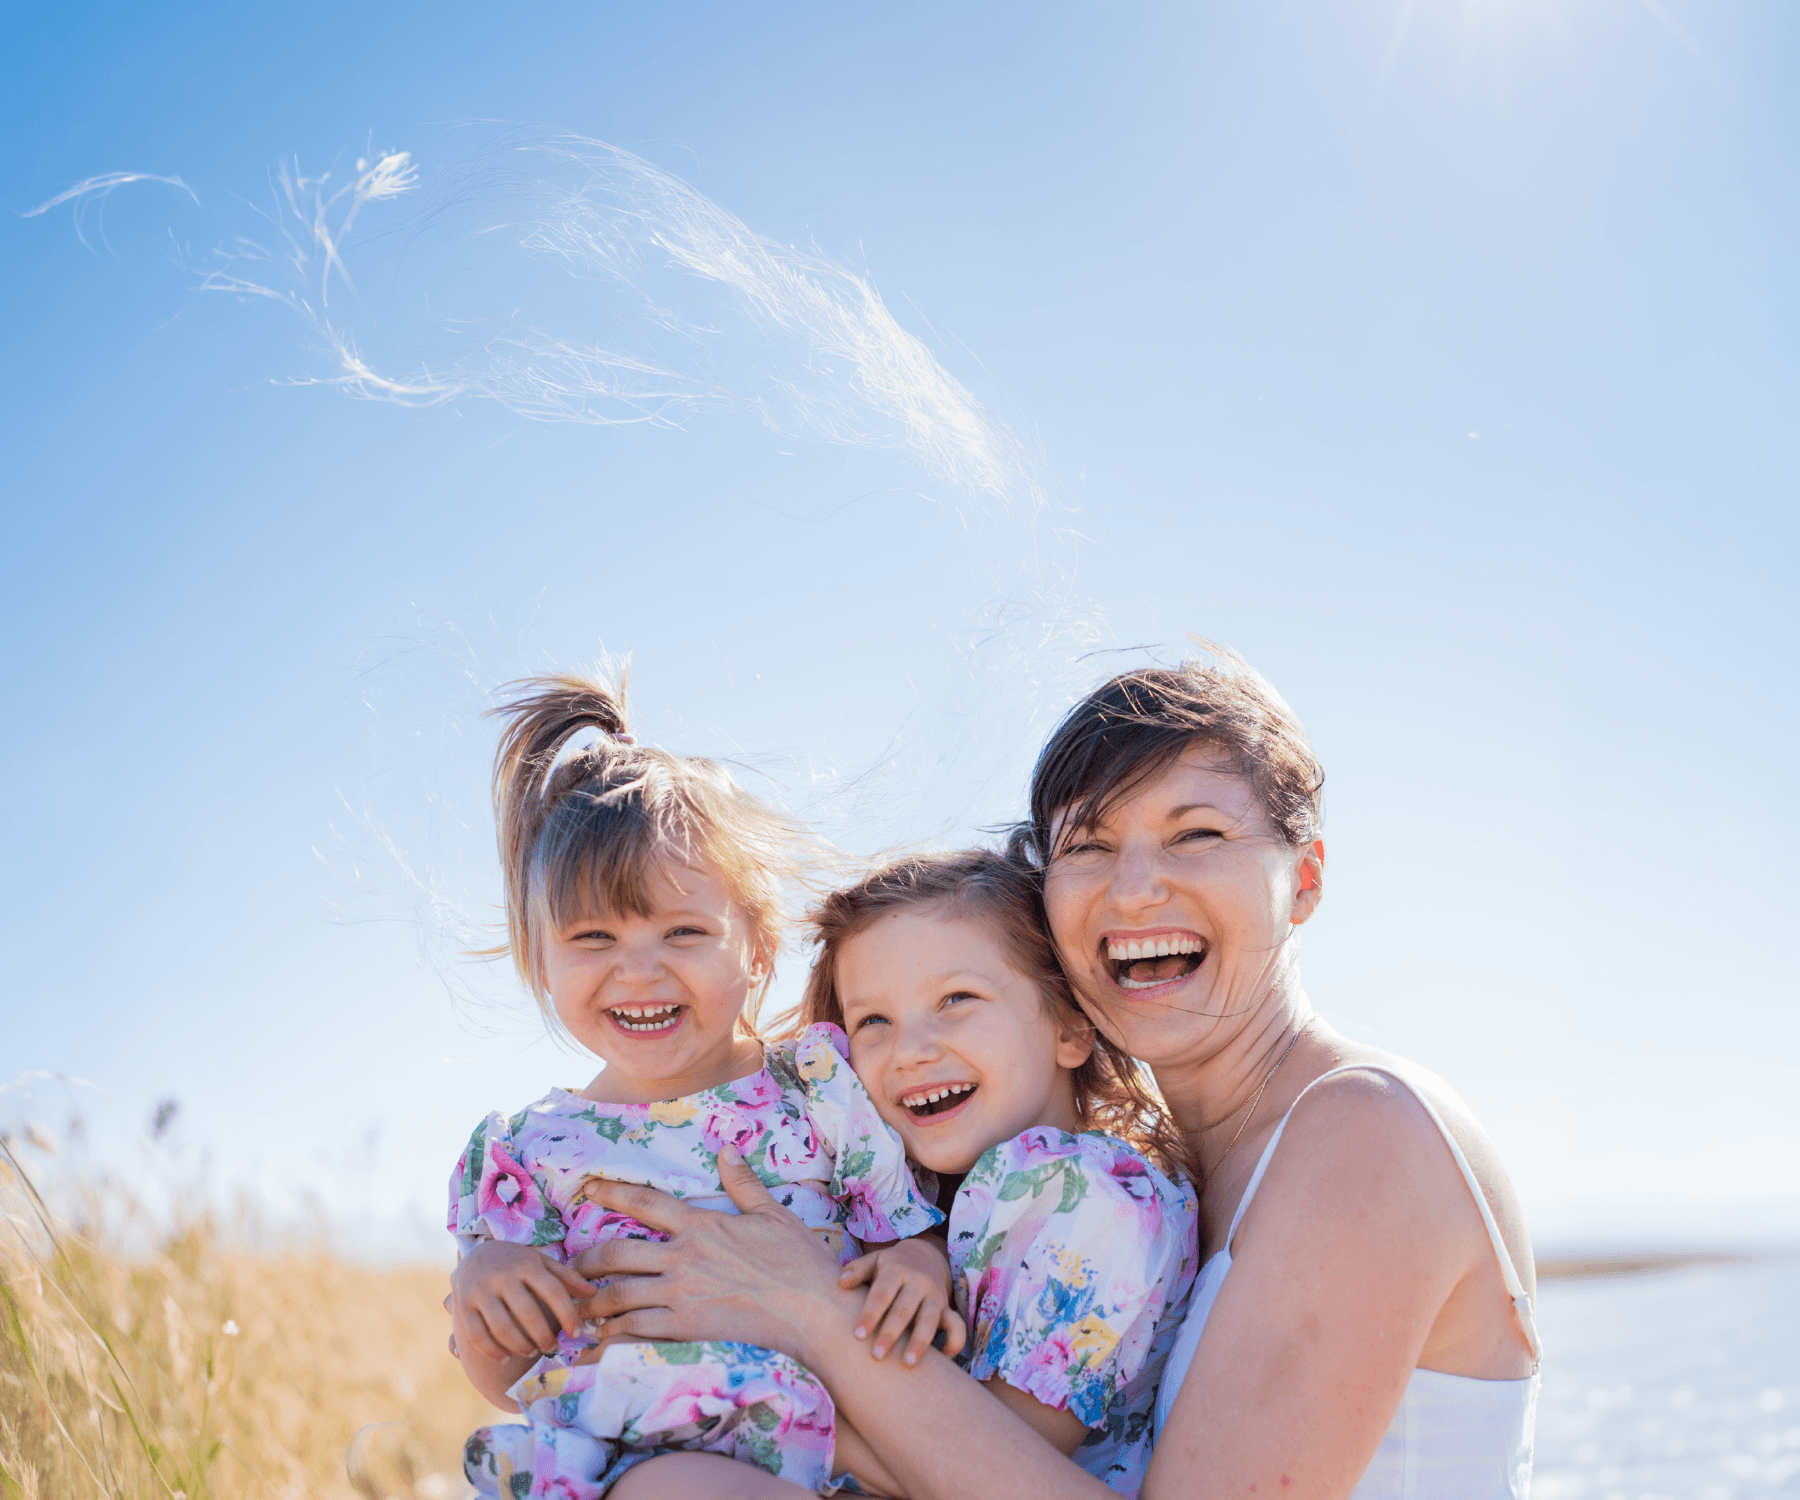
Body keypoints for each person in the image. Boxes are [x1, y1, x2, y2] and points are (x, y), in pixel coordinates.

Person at [567, 643, 1541, 1500]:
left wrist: (812, 1317)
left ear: (1308, 881)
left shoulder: (1363, 1134)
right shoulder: (1104, 1167)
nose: (1136, 885)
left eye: (1196, 833)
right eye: (1089, 845)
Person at [444, 673, 948, 1499]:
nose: (638, 970)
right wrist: (486, 1290)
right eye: (592, 938)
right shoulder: (525, 1154)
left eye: (683, 931)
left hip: (826, 1455)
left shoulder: (817, 1090)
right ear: (540, 960)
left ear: (757, 946)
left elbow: (901, 1233)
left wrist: (920, 1268)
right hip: (621, 1465)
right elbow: (514, 1378)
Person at [797, 850, 1197, 1497]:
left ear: (1071, 1025)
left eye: (957, 999)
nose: (912, 1050)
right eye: (873, 1021)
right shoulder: (925, 1198)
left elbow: (999, 1460)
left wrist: (745, 1402)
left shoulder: (1086, 1197)